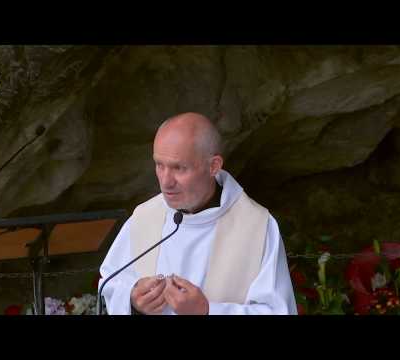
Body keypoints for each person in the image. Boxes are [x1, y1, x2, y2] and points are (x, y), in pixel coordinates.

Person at [99, 112, 297, 315]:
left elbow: (279, 310)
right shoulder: (145, 217)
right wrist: (132, 298)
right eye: (159, 165)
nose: (166, 182)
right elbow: (110, 281)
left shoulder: (257, 227)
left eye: (179, 168)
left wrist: (208, 310)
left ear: (213, 166)